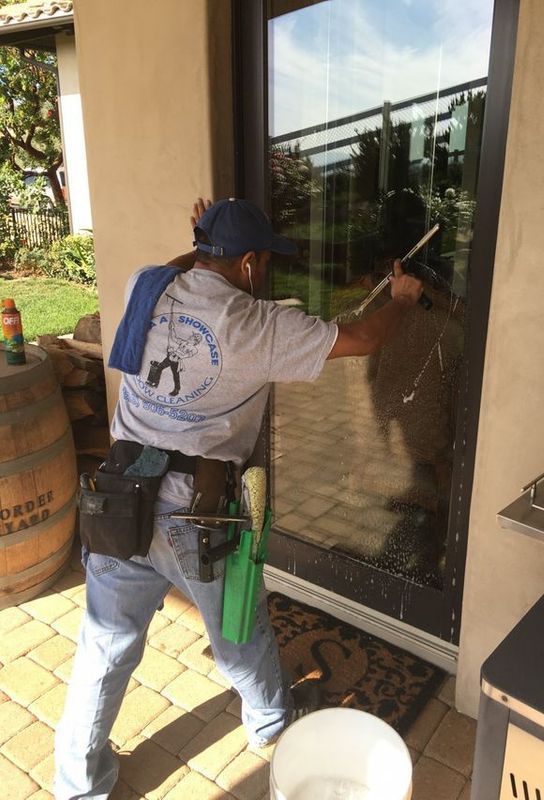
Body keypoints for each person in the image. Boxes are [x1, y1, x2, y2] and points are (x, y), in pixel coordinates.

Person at [54, 197, 423, 800]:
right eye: (265, 263)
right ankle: (272, 723)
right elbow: (358, 337)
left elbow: (181, 267)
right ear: (250, 263)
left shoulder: (145, 285)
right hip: (192, 512)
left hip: (120, 493)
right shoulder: (256, 326)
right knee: (238, 628)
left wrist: (201, 241)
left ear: (199, 254)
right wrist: (401, 301)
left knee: (104, 645)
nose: (268, 274)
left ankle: (77, 784)